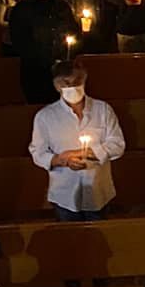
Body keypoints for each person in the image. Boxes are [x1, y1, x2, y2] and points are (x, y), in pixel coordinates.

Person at [30, 62, 126, 221]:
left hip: (99, 191)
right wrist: (63, 160)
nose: (72, 87)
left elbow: (117, 144)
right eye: (66, 83)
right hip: (64, 194)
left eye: (77, 81)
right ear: (57, 86)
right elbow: (38, 153)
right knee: (69, 235)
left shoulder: (103, 110)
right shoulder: (45, 116)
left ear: (84, 80)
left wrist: (88, 153)